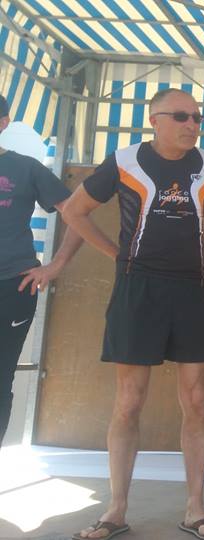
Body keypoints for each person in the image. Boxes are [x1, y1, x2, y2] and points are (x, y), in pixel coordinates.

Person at [62, 88, 204, 540]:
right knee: (128, 402)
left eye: (198, 118)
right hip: (139, 291)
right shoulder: (124, 161)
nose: (192, 125)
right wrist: (116, 254)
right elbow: (74, 211)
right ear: (154, 119)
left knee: (197, 401)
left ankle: (196, 509)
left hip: (196, 290)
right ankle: (115, 509)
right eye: (182, 116)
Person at [0, 94, 84, 445]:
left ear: (4, 122)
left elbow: (78, 214)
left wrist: (55, 265)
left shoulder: (26, 168)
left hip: (12, 287)